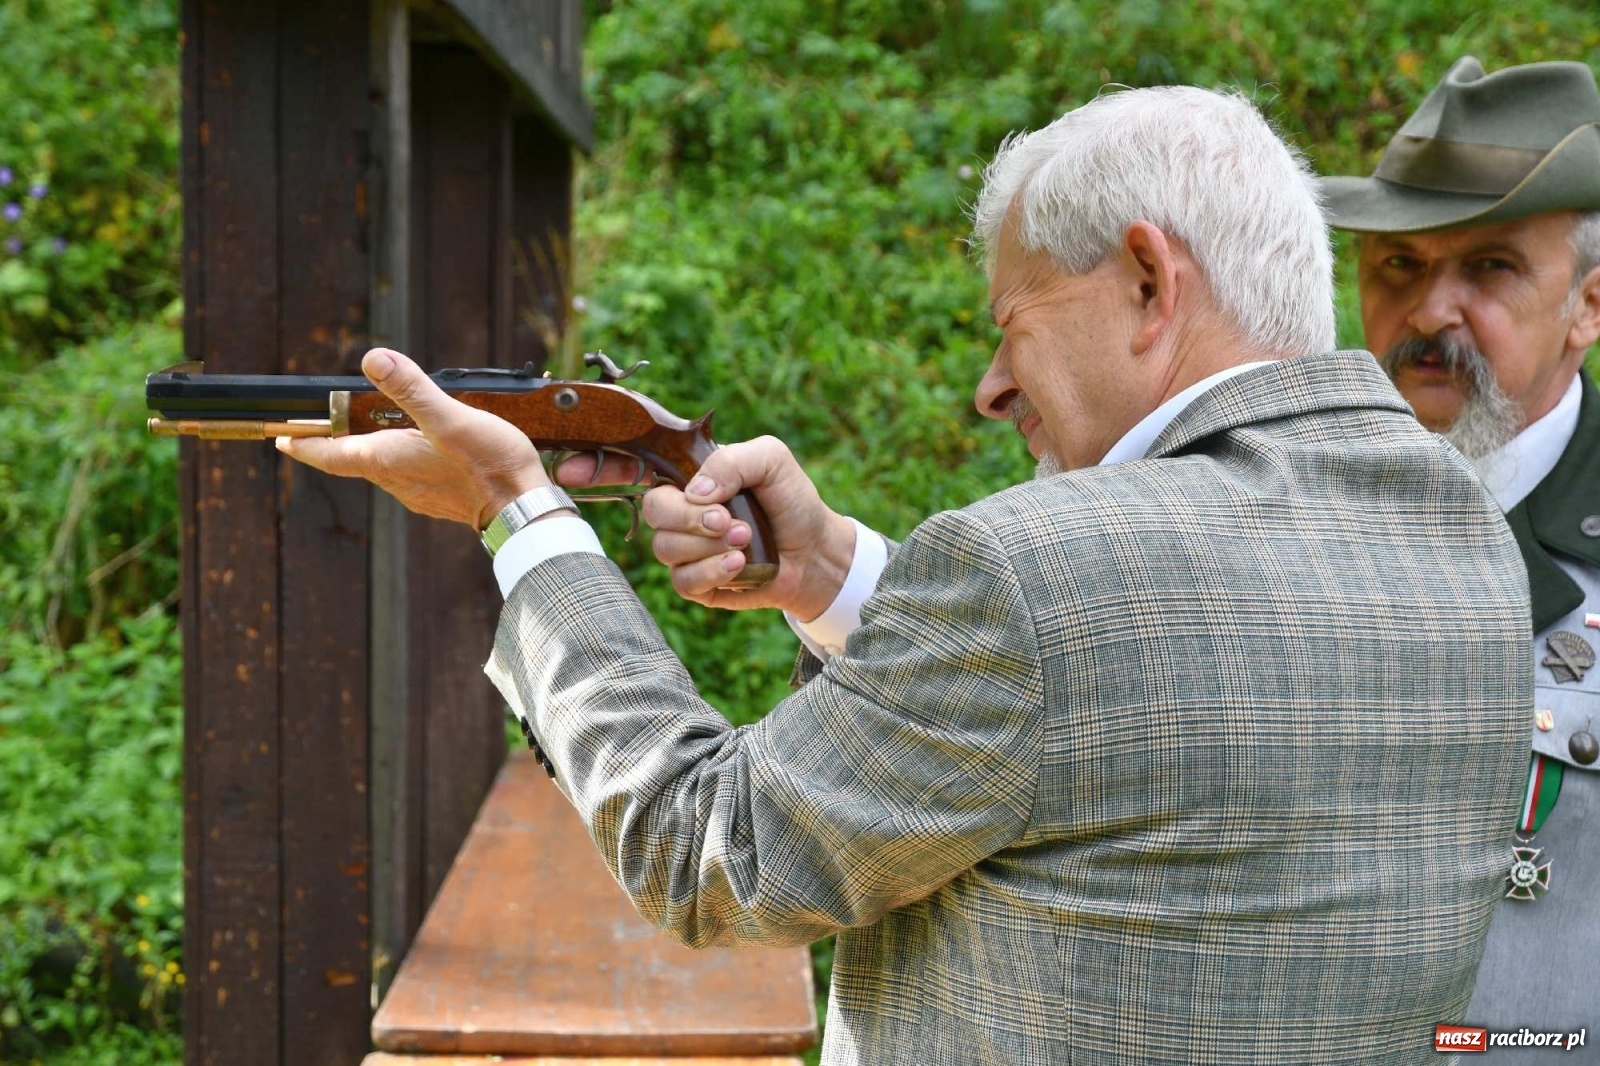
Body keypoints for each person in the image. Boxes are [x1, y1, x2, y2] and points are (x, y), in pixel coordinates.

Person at [282, 86, 1532, 1064]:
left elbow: (707, 850)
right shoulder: (1466, 539)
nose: (992, 386)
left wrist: (521, 516)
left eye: (1013, 322)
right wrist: (828, 570)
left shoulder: (1041, 576)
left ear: (1148, 282)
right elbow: (1152, 708)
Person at [1319, 56, 1600, 1052]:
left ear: (1589, 306)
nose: (1430, 313)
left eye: (1487, 267)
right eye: (1398, 265)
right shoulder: (1265, 492)